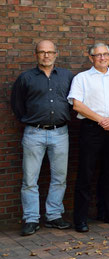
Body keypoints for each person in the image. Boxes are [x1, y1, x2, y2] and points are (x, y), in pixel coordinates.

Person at [11, 40, 74, 236]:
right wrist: (30, 120)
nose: (46, 55)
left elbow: (74, 101)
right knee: (30, 179)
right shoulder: (26, 78)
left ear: (56, 54)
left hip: (60, 133)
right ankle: (31, 219)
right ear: (36, 54)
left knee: (59, 177)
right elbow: (17, 104)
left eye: (50, 52)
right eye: (42, 52)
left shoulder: (67, 76)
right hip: (34, 133)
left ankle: (54, 215)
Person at [68, 43, 109, 233]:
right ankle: (80, 219)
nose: (102, 58)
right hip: (91, 128)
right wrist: (101, 120)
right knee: (86, 174)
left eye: (105, 55)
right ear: (90, 58)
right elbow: (77, 105)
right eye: (98, 55)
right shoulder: (82, 78)